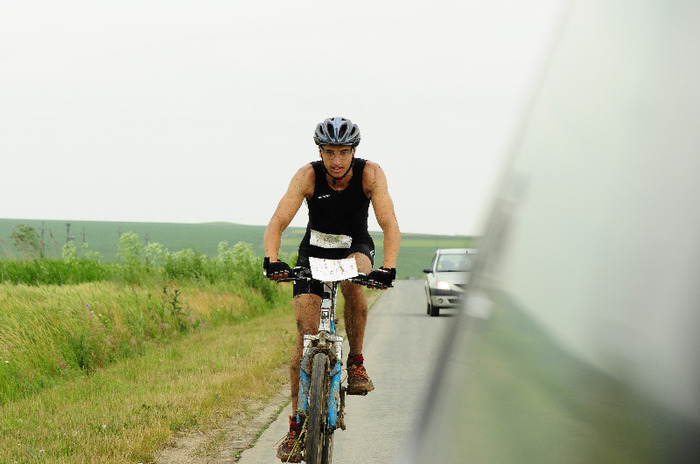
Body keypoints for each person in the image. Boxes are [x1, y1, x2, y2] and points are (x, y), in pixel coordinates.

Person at [263, 116, 401, 462]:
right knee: (306, 338)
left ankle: (355, 363)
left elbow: (388, 222)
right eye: (329, 152)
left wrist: (389, 266)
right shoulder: (308, 175)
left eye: (343, 152)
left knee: (355, 283)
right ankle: (296, 427)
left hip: (356, 246)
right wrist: (272, 258)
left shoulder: (370, 174)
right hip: (314, 252)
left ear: (354, 151)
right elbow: (279, 220)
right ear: (319, 152)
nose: (336, 161)